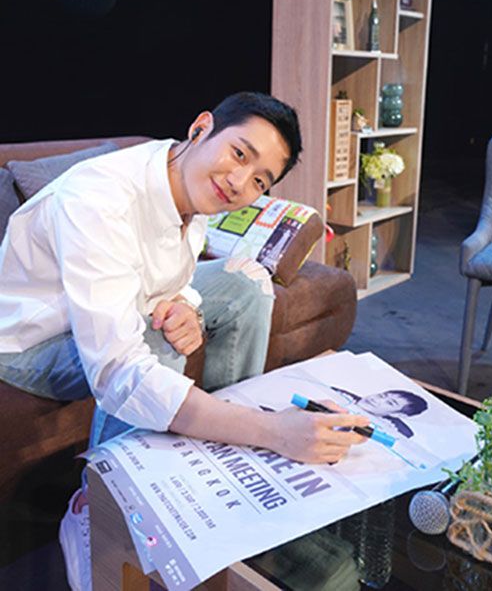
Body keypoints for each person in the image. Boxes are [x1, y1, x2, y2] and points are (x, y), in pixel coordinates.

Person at [0, 92, 369, 591]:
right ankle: (97, 507)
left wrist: (188, 306)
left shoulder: (185, 182)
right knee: (153, 339)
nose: (239, 182)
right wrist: (275, 432)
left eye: (260, 180)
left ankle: (220, 456)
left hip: (110, 308)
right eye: (239, 153)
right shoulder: (100, 198)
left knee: (247, 283)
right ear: (201, 128)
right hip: (28, 339)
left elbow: (171, 279)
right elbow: (119, 371)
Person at [329, 385, 428, 438]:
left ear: (396, 414)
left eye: (390, 403)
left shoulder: (391, 431)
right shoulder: (336, 393)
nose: (376, 400)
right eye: (381, 395)